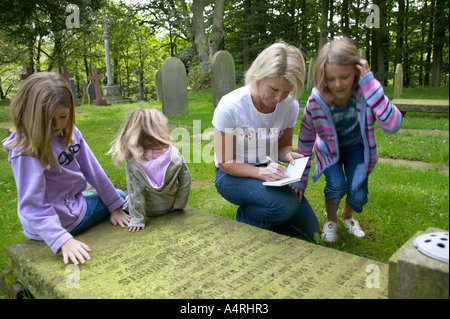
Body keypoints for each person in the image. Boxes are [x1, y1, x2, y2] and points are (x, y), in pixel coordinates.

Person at [2, 72, 131, 265]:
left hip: (70, 204)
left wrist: (114, 207)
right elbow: (31, 205)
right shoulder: (25, 150)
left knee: (116, 199)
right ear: (30, 114)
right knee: (120, 197)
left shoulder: (69, 133)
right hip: (54, 222)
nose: (57, 125)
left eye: (63, 116)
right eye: (49, 119)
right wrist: (63, 240)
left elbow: (93, 170)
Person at [292, 37, 403, 243]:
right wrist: (301, 176)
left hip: (358, 150)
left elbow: (392, 124)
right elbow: (306, 139)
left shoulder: (366, 92)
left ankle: (347, 216)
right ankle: (331, 220)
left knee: (358, 194)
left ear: (356, 70)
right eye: (331, 78)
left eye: (344, 77)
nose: (337, 84)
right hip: (329, 150)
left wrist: (369, 82)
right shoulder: (317, 100)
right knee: (336, 186)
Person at [213, 42, 320, 241]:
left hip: (271, 171)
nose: (279, 98)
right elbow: (225, 162)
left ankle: (268, 216)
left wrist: (287, 155)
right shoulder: (231, 106)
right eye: (274, 89)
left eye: (287, 91)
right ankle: (245, 219)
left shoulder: (290, 106)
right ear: (258, 76)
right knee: (284, 205)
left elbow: (282, 146)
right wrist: (261, 173)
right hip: (231, 175)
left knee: (310, 234)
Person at [109, 108, 191, 232]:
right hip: (168, 205)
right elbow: (185, 181)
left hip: (148, 210)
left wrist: (137, 218)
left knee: (122, 197)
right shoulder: (174, 154)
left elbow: (135, 192)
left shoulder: (133, 161)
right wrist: (179, 204)